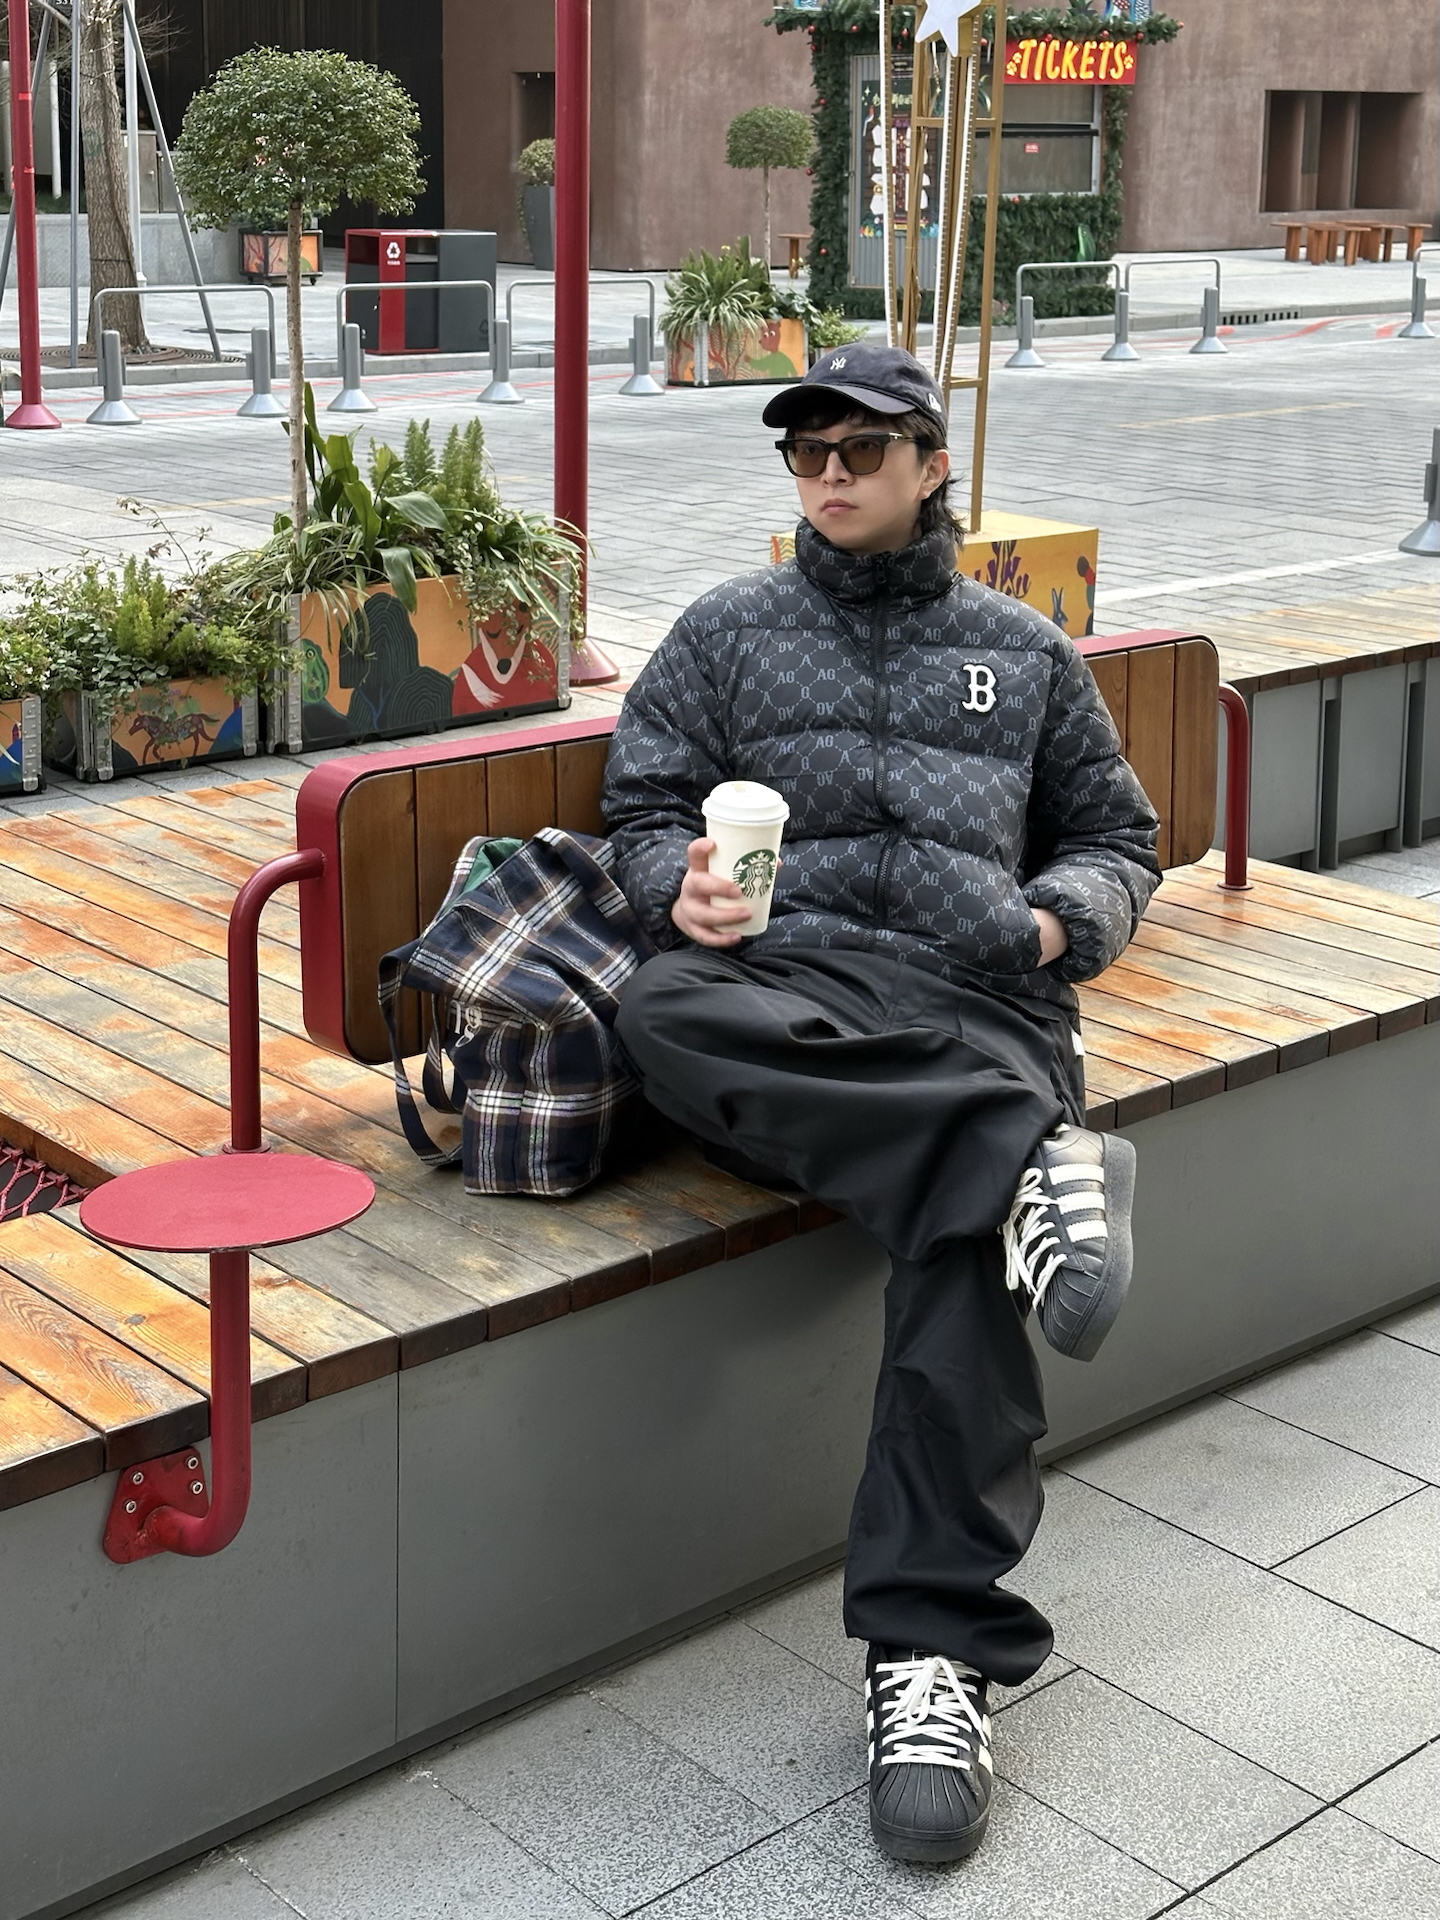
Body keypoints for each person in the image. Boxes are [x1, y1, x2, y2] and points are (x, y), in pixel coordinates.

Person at [602, 343, 1160, 1865]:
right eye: (808, 453)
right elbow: (641, 810)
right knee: (662, 1007)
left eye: (862, 448)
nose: (831, 474)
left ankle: (930, 1660)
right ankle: (1029, 1162)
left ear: (932, 463)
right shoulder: (723, 632)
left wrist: (1050, 927)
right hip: (788, 997)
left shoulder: (1023, 651)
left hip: (978, 1001)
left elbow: (1118, 840)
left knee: (957, 1240)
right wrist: (676, 892)